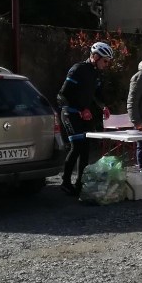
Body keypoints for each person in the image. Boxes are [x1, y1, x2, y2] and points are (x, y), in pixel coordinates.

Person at [57, 41, 113, 195]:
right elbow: (63, 94)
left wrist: (103, 106)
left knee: (86, 148)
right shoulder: (78, 69)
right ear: (95, 56)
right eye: (105, 61)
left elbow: (95, 94)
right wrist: (81, 109)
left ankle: (80, 183)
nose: (106, 64)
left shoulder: (96, 73)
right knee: (77, 147)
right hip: (70, 111)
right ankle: (65, 182)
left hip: (84, 113)